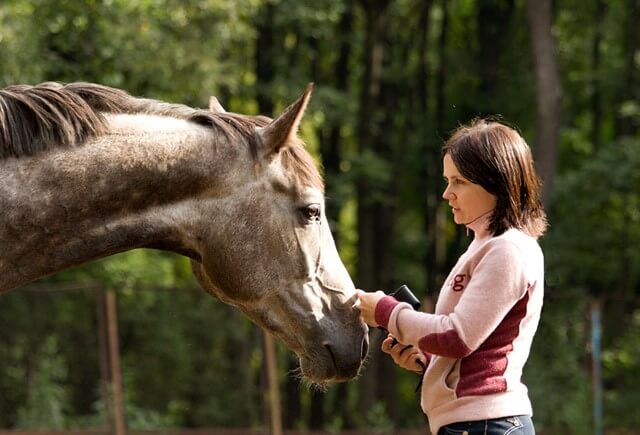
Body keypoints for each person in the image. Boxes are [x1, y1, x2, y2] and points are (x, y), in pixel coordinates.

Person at [356, 118, 547, 435]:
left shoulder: (508, 250)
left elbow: (457, 337)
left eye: (458, 182)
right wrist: (427, 359)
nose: (447, 194)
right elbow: (473, 348)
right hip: (474, 424)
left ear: (494, 182)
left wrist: (385, 312)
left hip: (486, 424)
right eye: (447, 181)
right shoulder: (484, 246)